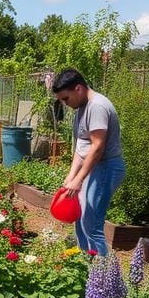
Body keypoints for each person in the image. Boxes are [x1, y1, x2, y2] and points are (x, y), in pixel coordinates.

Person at [53, 68, 125, 256]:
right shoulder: (82, 107)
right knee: (80, 218)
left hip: (105, 167)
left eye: (66, 98)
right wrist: (71, 177)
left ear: (78, 88)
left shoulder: (97, 106)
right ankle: (86, 265)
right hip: (94, 167)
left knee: (91, 225)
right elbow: (82, 147)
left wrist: (79, 180)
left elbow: (97, 147)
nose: (65, 103)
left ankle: (103, 276)